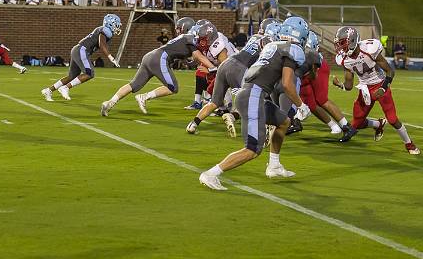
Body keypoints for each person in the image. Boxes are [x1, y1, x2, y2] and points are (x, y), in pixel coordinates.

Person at [198, 22, 312, 190]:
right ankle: (211, 174)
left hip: (251, 93)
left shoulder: (272, 45)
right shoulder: (293, 49)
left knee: (283, 122)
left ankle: (274, 165)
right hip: (253, 96)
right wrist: (301, 105)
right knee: (252, 149)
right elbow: (287, 84)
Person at [100, 21, 218, 116]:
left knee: (133, 84)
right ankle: (144, 97)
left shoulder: (183, 38)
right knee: (173, 87)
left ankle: (109, 103)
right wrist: (213, 67)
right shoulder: (190, 38)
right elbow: (197, 55)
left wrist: (196, 63)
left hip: (150, 56)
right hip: (159, 58)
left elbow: (188, 59)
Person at [332, 26, 420, 154]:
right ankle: (378, 124)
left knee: (393, 119)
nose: (340, 47)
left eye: (342, 43)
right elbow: (349, 85)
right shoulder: (345, 59)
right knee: (357, 123)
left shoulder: (369, 49)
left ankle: (410, 145)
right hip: (365, 89)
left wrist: (383, 89)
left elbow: (390, 71)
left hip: (380, 84)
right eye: (339, 43)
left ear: (352, 40)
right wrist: (340, 84)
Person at [187, 19, 279, 137]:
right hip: (240, 68)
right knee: (251, 99)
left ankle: (193, 124)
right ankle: (260, 129)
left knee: (214, 102)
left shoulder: (255, 36)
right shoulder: (270, 43)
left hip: (227, 64)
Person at [41, 15, 122, 101]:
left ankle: (49, 90)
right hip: (82, 50)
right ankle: (65, 88)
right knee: (89, 73)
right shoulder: (105, 31)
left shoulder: (102, 31)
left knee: (72, 76)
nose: (117, 28)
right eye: (116, 25)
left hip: (78, 49)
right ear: (110, 24)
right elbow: (102, 45)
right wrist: (110, 57)